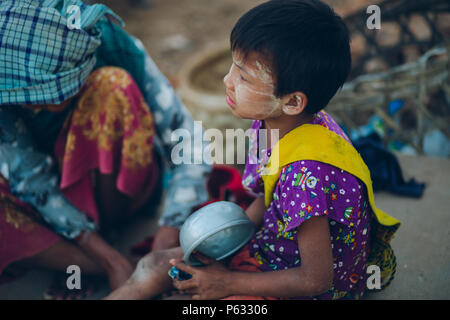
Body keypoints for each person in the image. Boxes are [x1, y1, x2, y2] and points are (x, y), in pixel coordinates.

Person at [105, 0, 400, 300]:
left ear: (293, 102)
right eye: (233, 67)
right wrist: (224, 241)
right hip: (270, 251)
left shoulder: (306, 176)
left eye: (244, 77)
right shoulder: (273, 123)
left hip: (306, 287)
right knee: (155, 264)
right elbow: (266, 194)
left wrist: (226, 283)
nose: (227, 81)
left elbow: (316, 280)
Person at [0, 0, 210, 299]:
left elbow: (187, 140)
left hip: (118, 193)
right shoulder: (5, 70)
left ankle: (105, 256)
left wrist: (170, 227)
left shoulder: (111, 46)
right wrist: (110, 261)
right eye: (27, 97)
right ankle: (112, 262)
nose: (36, 107)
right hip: (48, 205)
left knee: (113, 86)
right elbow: (31, 180)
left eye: (44, 96)